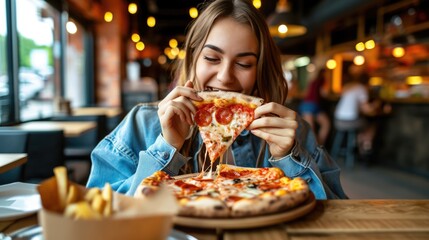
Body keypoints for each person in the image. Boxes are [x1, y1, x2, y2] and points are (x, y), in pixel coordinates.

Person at [86, 0, 347, 200]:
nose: (225, 78)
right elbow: (97, 212)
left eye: (244, 63)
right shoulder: (142, 123)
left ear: (259, 70)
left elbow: (338, 213)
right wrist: (166, 147)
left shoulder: (291, 131)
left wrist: (289, 158)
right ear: (193, 58)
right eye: (212, 58)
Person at [298, 69, 331, 145]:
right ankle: (316, 147)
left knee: (311, 128)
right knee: (325, 124)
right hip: (313, 105)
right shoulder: (322, 80)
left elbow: (306, 93)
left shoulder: (312, 81)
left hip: (308, 105)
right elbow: (323, 93)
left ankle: (317, 146)